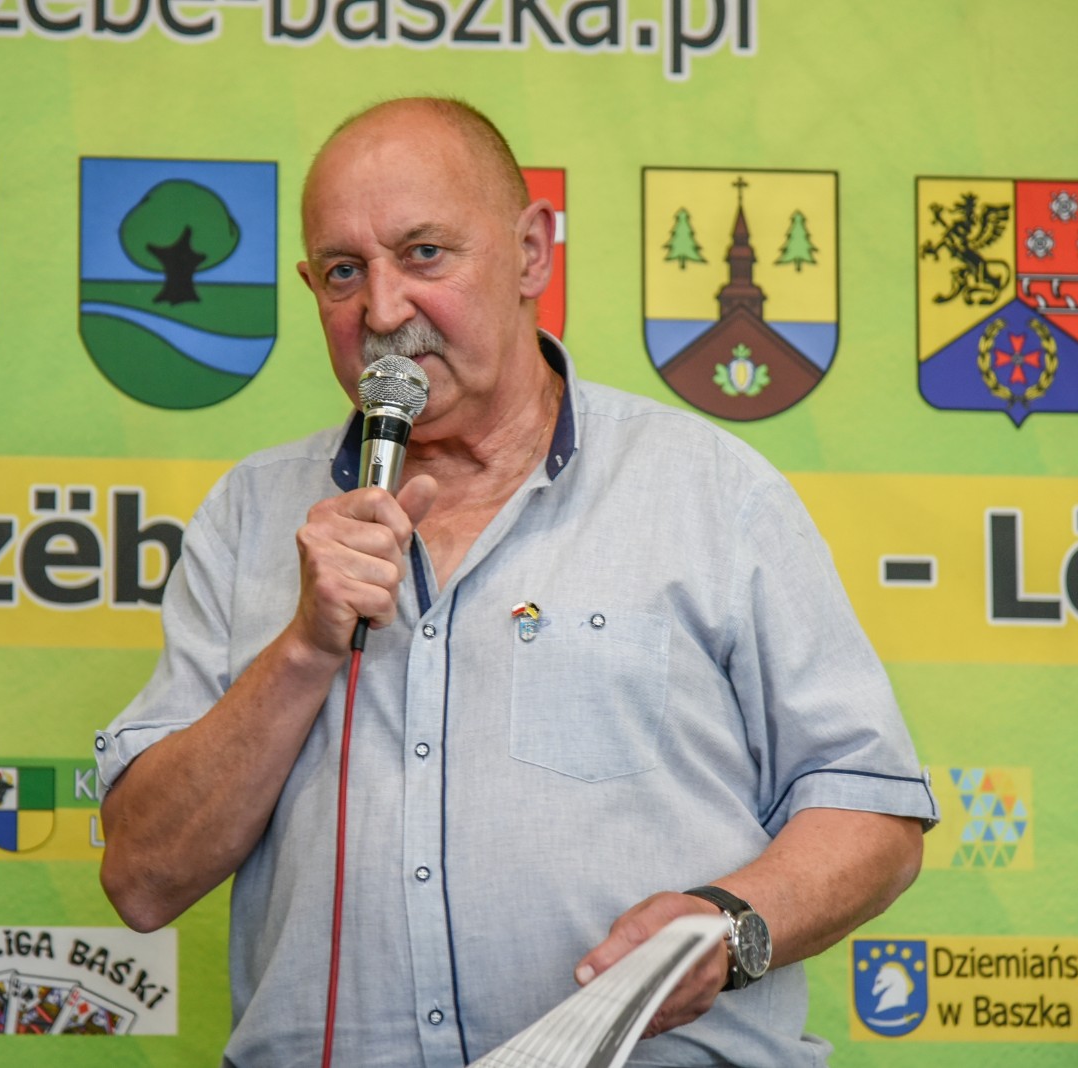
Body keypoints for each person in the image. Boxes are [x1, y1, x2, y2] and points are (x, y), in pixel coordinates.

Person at [94, 96, 937, 1066]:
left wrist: (728, 926)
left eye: (424, 255)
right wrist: (303, 649)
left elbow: (871, 814)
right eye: (343, 272)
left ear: (532, 252)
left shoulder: (711, 491)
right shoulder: (248, 514)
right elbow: (143, 880)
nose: (382, 312)